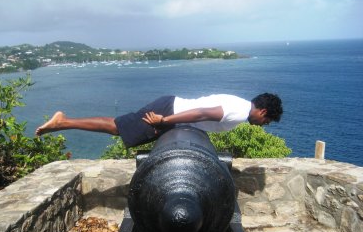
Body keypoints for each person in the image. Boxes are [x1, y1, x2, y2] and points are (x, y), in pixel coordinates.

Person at [35, 93, 283, 148]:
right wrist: (165, 120)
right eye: (267, 121)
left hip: (172, 110)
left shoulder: (240, 105)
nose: (264, 125)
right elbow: (202, 114)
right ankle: (63, 122)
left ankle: (64, 121)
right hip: (170, 111)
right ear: (262, 112)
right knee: (117, 127)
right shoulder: (240, 112)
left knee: (118, 124)